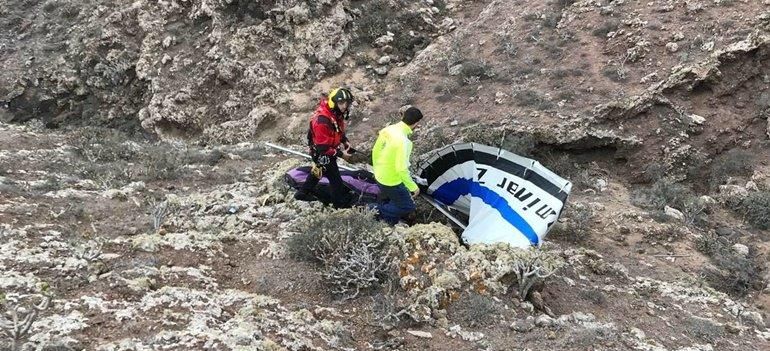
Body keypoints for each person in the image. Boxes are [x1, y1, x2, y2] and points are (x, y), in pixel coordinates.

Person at [294, 87, 356, 208]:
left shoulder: (335, 113)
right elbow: (323, 147)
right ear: (334, 102)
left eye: (346, 103)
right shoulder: (322, 120)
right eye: (341, 103)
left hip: (325, 151)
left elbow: (337, 130)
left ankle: (302, 193)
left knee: (319, 171)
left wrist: (345, 141)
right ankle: (339, 204)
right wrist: (342, 154)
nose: (344, 106)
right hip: (322, 152)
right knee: (336, 180)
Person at [371, 106, 424, 225]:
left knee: (393, 200)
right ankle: (376, 210)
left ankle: (389, 221)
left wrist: (377, 169)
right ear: (416, 123)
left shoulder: (389, 129)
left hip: (379, 174)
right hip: (392, 180)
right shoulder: (404, 142)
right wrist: (413, 187)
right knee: (407, 206)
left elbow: (375, 150)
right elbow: (401, 168)